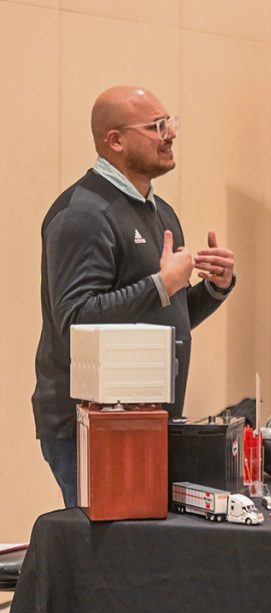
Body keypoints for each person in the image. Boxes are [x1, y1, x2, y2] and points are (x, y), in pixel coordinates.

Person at [33, 86, 237, 509]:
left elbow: (158, 320)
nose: (170, 135)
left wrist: (213, 288)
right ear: (115, 140)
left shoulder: (159, 211)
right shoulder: (82, 215)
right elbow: (75, 321)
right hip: (90, 425)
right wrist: (161, 284)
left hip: (147, 417)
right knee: (106, 566)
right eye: (156, 127)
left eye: (170, 123)